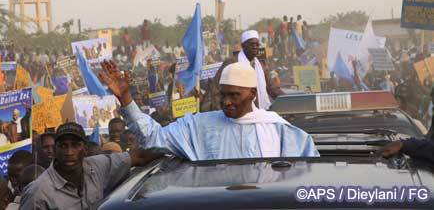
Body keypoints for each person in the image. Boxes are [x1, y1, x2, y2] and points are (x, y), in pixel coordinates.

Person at [99, 60, 319, 161]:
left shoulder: (280, 131)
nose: (226, 102)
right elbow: (153, 138)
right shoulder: (198, 125)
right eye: (223, 94)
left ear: (252, 94)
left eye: (235, 95)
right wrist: (125, 98)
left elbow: (307, 179)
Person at [20, 122, 161, 210]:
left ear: (85, 149)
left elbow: (138, 157)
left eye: (75, 145)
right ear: (55, 149)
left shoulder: (98, 166)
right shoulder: (37, 193)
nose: (69, 152)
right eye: (63, 146)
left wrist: (175, 147)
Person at [213, 30, 284, 110]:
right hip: (237, 112)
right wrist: (222, 111)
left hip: (259, 112)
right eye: (251, 44)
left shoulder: (261, 65)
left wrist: (287, 99)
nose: (255, 47)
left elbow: (272, 88)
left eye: (257, 45)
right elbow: (216, 88)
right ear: (243, 46)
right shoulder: (232, 62)